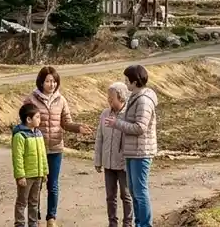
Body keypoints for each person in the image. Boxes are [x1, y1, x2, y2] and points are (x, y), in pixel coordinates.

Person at [25, 66, 93, 227]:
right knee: (36, 184)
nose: (52, 84)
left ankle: (51, 217)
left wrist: (78, 128)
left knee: (53, 184)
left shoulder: (61, 100)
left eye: (54, 81)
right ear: (41, 82)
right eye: (48, 81)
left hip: (55, 148)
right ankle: (35, 217)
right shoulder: (31, 99)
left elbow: (66, 123)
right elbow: (24, 122)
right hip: (37, 149)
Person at [106, 64, 158, 227]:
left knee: (140, 191)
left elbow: (140, 127)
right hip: (132, 151)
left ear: (135, 82)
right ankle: (139, 223)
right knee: (135, 191)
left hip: (141, 152)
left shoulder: (143, 100)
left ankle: (144, 224)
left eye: (127, 80)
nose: (126, 83)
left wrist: (118, 124)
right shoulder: (135, 98)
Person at [94, 82, 133, 227]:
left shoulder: (129, 115)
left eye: (112, 97)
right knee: (110, 196)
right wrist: (98, 160)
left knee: (126, 195)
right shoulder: (104, 114)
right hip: (108, 163)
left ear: (121, 97)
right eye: (108, 97)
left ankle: (128, 223)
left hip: (123, 164)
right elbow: (100, 138)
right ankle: (112, 223)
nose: (109, 100)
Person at [12, 102, 49, 227]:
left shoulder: (38, 134)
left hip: (38, 174)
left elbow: (43, 155)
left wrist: (44, 172)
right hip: (26, 176)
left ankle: (33, 224)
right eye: (37, 117)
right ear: (28, 119)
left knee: (34, 202)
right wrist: (20, 176)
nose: (40, 119)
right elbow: (17, 157)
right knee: (22, 202)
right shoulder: (20, 136)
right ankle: (20, 224)